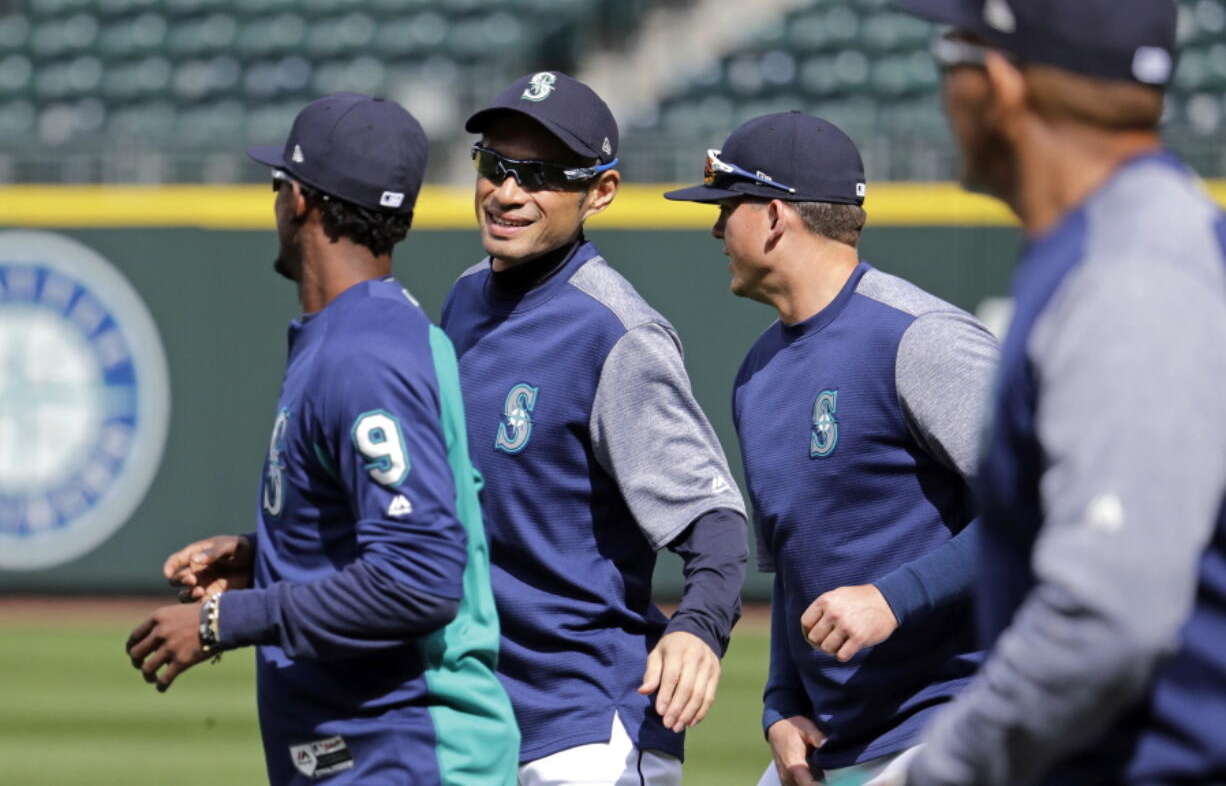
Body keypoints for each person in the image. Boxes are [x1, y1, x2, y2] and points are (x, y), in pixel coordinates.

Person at [883, 0, 1226, 783]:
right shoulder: (1119, 242)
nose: (945, 90)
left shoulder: (1133, 272)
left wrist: (942, 770)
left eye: (951, 57)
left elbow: (1107, 616)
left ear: (999, 82)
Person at [125, 92, 519, 785]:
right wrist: (268, 558)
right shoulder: (367, 334)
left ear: (300, 200)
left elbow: (420, 580)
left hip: (408, 755)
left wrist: (228, 619)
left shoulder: (364, 355)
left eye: (279, 185)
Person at [664, 111, 999, 786]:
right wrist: (780, 706)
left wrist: (894, 598)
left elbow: (1045, 508)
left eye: (727, 209)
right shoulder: (757, 375)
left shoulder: (920, 338)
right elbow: (795, 564)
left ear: (776, 216)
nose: (714, 229)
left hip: (951, 724)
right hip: (827, 749)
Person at [440, 71, 749, 785]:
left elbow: (716, 521)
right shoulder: (462, 299)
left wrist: (698, 630)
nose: (508, 192)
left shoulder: (614, 332)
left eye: (542, 175)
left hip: (585, 731)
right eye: (496, 165)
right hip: (477, 717)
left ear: (599, 192)